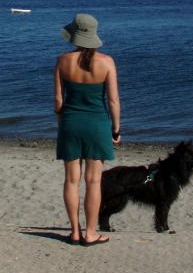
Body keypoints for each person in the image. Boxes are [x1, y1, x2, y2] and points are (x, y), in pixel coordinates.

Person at [54, 13, 121, 246]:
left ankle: (74, 232)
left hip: (70, 123)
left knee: (71, 180)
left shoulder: (62, 61)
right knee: (93, 181)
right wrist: (116, 130)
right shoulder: (107, 62)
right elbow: (113, 101)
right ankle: (90, 233)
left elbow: (58, 101)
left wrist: (63, 125)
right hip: (97, 124)